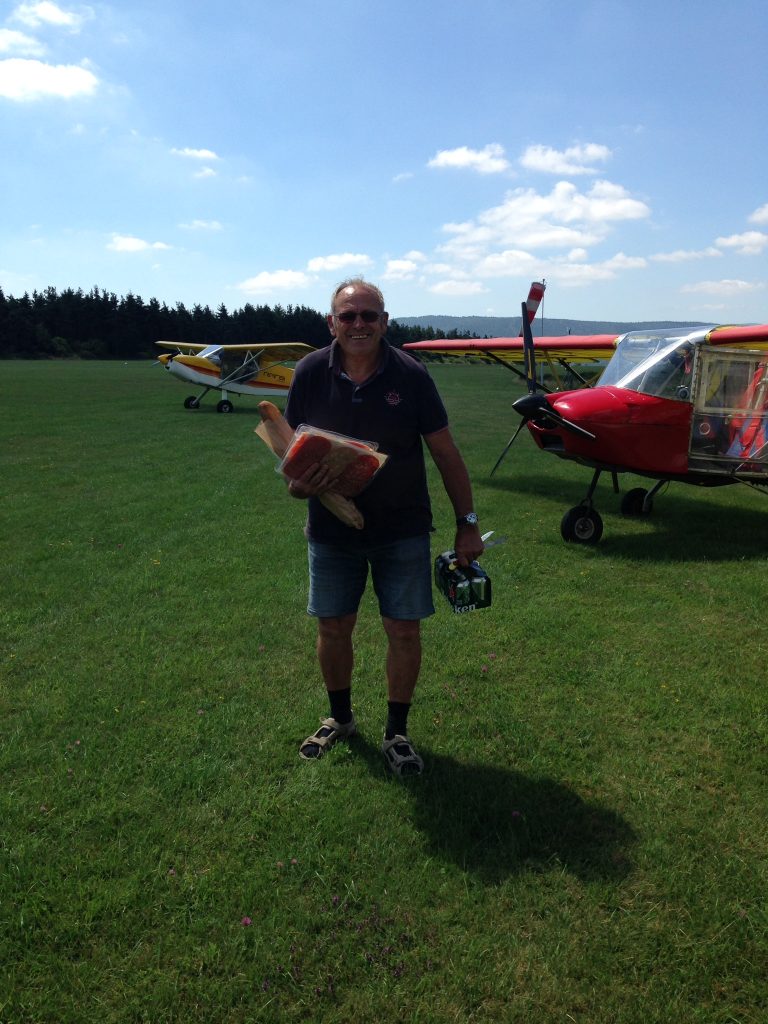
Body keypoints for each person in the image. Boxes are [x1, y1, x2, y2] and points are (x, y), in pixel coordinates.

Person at [284, 278, 483, 776]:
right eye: (347, 316)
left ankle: (396, 733)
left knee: (403, 631)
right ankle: (341, 718)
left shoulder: (411, 375)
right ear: (331, 322)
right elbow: (291, 456)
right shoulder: (309, 372)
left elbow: (445, 453)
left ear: (384, 322)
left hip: (402, 529)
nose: (358, 325)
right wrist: (302, 487)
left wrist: (467, 525)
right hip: (331, 532)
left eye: (368, 316)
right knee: (333, 626)